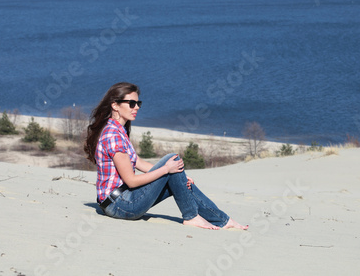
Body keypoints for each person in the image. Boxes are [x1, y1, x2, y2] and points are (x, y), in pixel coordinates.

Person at [84, 82, 248, 230]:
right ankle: (192, 217)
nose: (137, 107)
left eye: (138, 103)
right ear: (115, 105)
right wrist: (166, 170)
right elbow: (131, 181)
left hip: (121, 201)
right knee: (172, 160)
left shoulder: (118, 130)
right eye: (132, 103)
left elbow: (138, 162)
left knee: (177, 176)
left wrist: (178, 175)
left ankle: (222, 220)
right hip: (121, 205)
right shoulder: (113, 135)